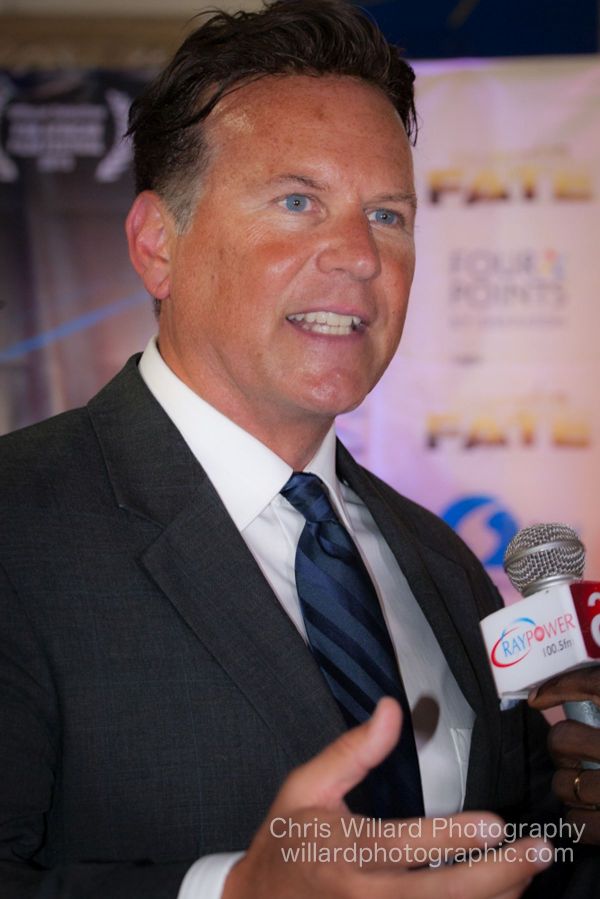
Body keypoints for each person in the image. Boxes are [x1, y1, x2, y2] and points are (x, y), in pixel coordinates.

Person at [0, 2, 598, 897]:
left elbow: (510, 860)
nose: (359, 255)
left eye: (388, 215)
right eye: (297, 201)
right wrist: (232, 890)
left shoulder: (443, 567)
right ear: (157, 246)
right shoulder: (18, 528)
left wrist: (577, 823)